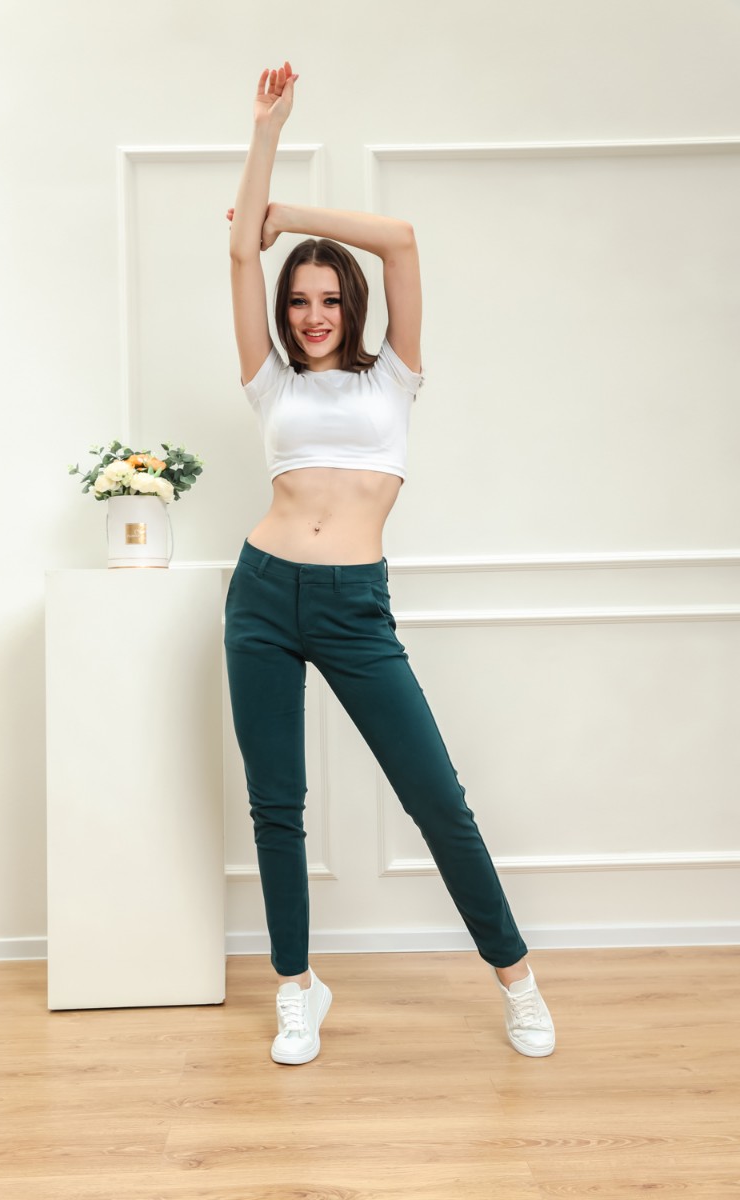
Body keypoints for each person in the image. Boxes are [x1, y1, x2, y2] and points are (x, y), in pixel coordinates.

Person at [224, 60, 555, 1066]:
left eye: (328, 298)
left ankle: (517, 978)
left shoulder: (394, 379)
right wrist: (265, 136)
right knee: (276, 806)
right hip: (261, 596)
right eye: (298, 301)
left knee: (435, 800)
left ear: (352, 304)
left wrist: (286, 214)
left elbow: (402, 238)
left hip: (352, 606)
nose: (312, 314)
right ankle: (297, 989)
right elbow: (238, 255)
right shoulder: (270, 382)